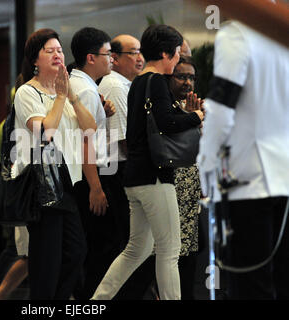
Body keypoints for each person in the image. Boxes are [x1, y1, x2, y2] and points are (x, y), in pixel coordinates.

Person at [92, 24, 204, 300]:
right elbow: (166, 122)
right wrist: (196, 117)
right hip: (155, 177)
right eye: (177, 53)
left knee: (136, 249)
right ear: (166, 53)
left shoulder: (139, 83)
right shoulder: (157, 82)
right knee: (169, 251)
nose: (179, 59)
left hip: (135, 176)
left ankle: (97, 301)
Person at [197, 20, 289, 300]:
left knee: (250, 286)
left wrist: (206, 164)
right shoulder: (280, 32)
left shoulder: (236, 34)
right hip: (282, 179)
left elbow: (222, 107)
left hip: (247, 181)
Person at [14, 28, 96, 299]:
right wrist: (60, 97)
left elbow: (90, 129)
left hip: (67, 184)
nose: (58, 55)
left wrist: (70, 96)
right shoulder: (27, 93)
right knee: (47, 261)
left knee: (76, 252)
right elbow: (45, 132)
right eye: (50, 51)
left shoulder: (65, 92)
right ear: (35, 60)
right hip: (43, 185)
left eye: (60, 50)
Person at [69, 27, 132, 300]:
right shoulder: (85, 89)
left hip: (92, 175)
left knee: (98, 246)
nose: (112, 60)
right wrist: (96, 187)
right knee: (101, 248)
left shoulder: (85, 86)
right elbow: (85, 143)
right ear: (91, 57)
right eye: (108, 55)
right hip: (93, 176)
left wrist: (101, 115)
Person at [168, 55, 203, 299]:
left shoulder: (196, 108)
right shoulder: (165, 107)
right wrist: (191, 120)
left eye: (191, 77)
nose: (187, 82)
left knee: (190, 254)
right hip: (170, 187)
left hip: (192, 191)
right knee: (171, 254)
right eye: (181, 76)